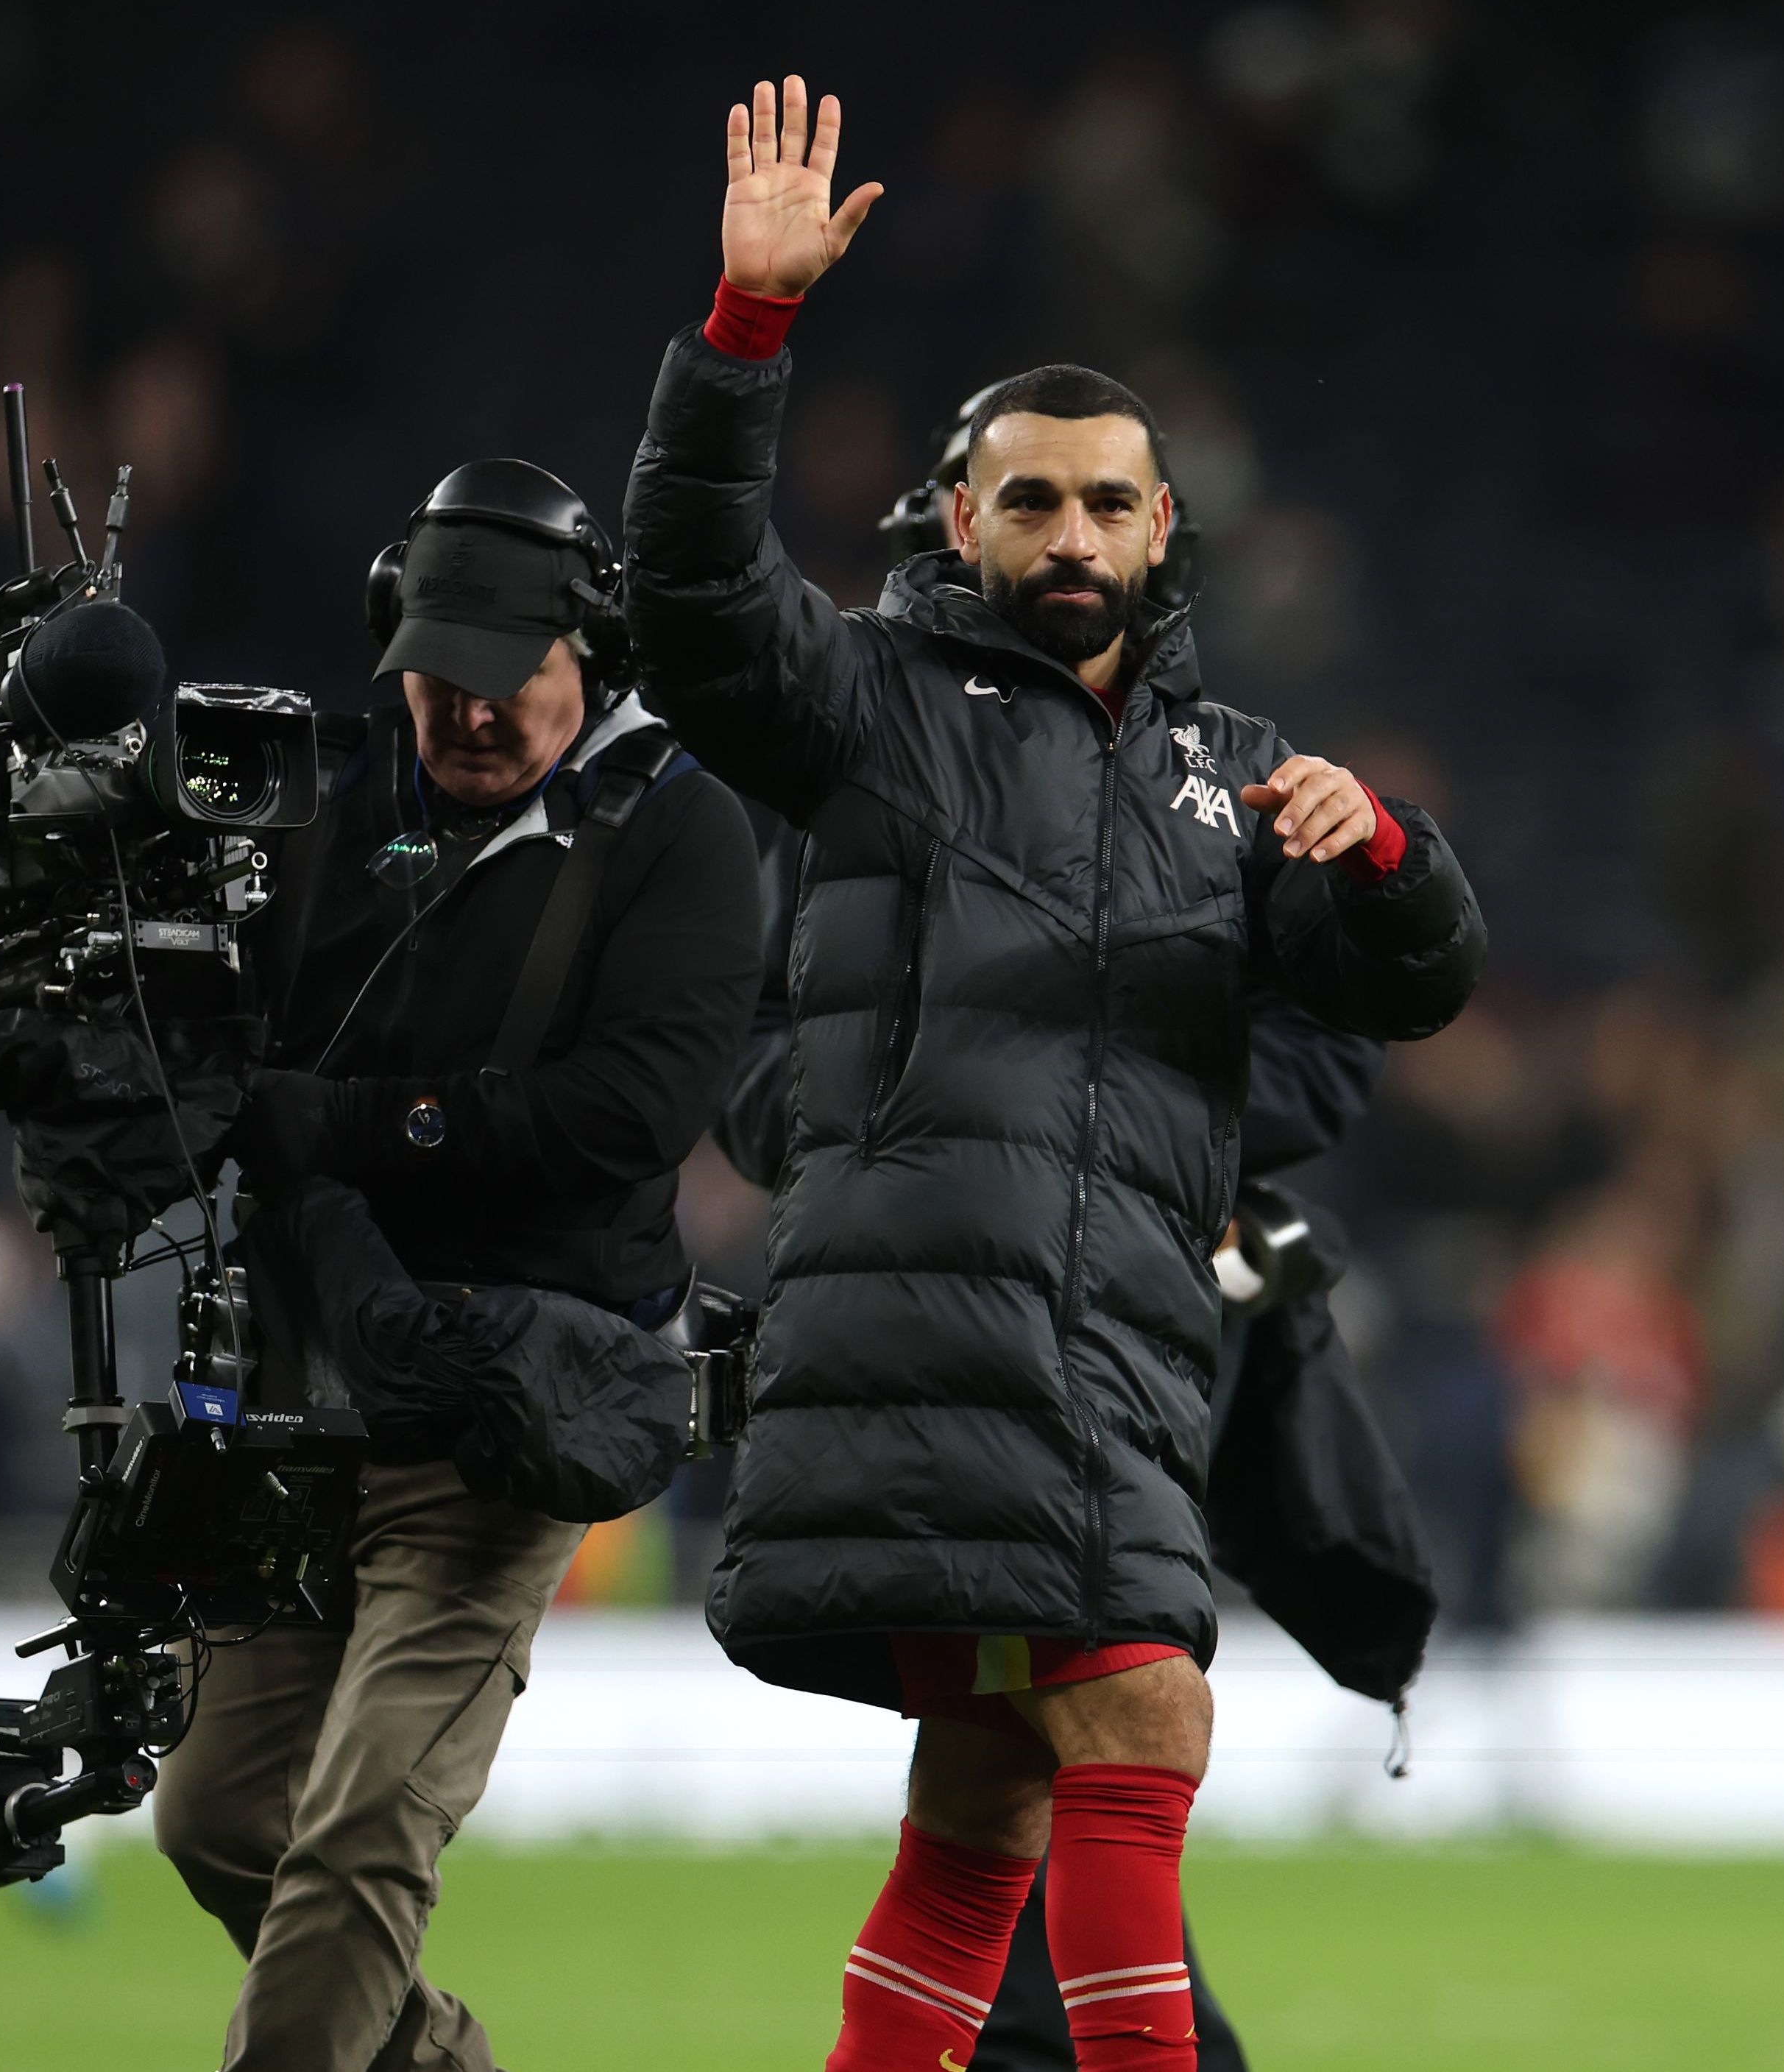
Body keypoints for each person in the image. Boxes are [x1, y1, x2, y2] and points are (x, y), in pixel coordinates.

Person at [626, 79, 1484, 2072]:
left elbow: (1407, 993)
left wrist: (1385, 853)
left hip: (1100, 1348)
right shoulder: (861, 704)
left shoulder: (1226, 772)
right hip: (960, 1341)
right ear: (958, 521)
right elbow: (681, 603)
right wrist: (744, 332)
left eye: (1108, 501)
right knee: (1138, 1720)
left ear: (1163, 527)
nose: (1073, 533)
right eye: (1031, 499)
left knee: (986, 1807)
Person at [145, 458, 763, 2072]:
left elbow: (631, 1114)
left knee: (358, 1838)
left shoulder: (682, 828)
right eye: (435, 681)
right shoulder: (330, 806)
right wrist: (336, 1210)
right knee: (214, 1819)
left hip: (503, 1414)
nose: (466, 716)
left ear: (595, 656)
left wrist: (349, 1126)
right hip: (303, 1404)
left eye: (505, 684)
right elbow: (239, 1102)